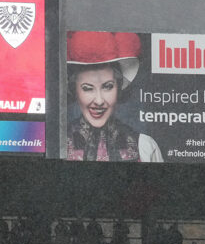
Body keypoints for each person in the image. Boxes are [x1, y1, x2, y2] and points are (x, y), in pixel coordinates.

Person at [65, 31, 162, 162]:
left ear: (119, 87)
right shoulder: (56, 143)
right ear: (75, 90)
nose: (99, 101)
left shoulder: (144, 147)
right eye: (87, 88)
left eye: (107, 86)